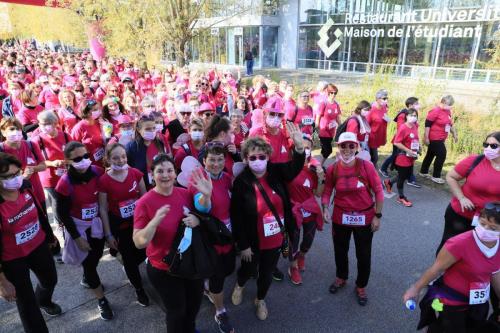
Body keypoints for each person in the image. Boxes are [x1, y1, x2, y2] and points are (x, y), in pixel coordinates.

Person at [230, 123, 305, 321]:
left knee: (267, 272)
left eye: (262, 157)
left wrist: (299, 149)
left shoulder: (276, 172)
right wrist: (243, 245)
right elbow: (236, 216)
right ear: (245, 159)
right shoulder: (241, 182)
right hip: (252, 240)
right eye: (252, 157)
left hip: (275, 238)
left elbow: (293, 168)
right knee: (248, 269)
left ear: (268, 157)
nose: (258, 161)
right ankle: (240, 284)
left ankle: (260, 298)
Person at [133, 154, 210, 333]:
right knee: (176, 311)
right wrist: (155, 221)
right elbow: (138, 242)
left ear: (175, 174)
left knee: (194, 305)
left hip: (190, 262)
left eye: (169, 170)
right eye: (160, 171)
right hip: (163, 268)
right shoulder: (144, 203)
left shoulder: (184, 193)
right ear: (152, 175)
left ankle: (190, 329)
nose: (165, 175)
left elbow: (203, 212)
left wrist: (204, 201)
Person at [403, 203, 500, 333]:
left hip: (478, 303)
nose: (485, 230)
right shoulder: (459, 243)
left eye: (493, 228)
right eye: (482, 224)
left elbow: (495, 273)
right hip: (453, 302)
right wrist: (415, 289)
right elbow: (436, 269)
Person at [0, 153, 60, 333]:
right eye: (8, 176)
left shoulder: (25, 186)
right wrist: (2, 281)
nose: (15, 179)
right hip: (13, 259)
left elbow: (40, 212)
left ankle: (43, 299)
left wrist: (50, 236)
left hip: (38, 245)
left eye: (17, 173)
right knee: (26, 303)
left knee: (50, 279)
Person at [322, 132, 384, 306]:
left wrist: (377, 216)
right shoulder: (333, 168)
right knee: (340, 250)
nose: (347, 149)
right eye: (343, 146)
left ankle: (361, 285)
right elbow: (327, 191)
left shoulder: (366, 166)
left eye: (351, 146)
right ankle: (341, 277)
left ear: (357, 147)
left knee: (363, 254)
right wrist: (325, 207)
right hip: (341, 217)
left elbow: (379, 191)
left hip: (364, 218)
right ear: (338, 147)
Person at [55, 141, 114, 320]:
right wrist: (77, 238)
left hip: (96, 224)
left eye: (86, 156)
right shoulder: (64, 184)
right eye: (78, 158)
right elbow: (62, 214)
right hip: (79, 227)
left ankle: (88, 278)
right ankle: (101, 300)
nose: (84, 160)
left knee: (95, 257)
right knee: (89, 264)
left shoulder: (97, 171)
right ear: (68, 161)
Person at [190, 144, 235, 333]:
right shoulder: (198, 179)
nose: (216, 164)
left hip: (228, 235)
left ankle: (208, 287)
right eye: (212, 160)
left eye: (219, 159)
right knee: (218, 278)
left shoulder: (226, 178)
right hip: (210, 238)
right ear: (204, 161)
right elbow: (202, 208)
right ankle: (220, 311)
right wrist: (206, 196)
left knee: (226, 270)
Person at [98, 143, 149, 306]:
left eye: (123, 156)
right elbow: (103, 209)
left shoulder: (135, 173)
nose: (120, 160)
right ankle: (139, 288)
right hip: (120, 226)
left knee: (144, 252)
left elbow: (145, 198)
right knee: (129, 260)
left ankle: (130, 267)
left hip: (139, 223)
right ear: (108, 160)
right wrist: (108, 234)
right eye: (115, 158)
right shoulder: (104, 181)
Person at [436, 131, 500, 252]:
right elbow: (451, 177)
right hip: (461, 215)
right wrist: (462, 198)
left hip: (489, 223)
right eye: (486, 144)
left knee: (476, 252)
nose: (488, 148)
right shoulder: (475, 161)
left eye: (493, 146)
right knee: (450, 247)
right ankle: (441, 270)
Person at [286, 134, 325, 285]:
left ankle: (302, 255)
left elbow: (318, 193)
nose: (304, 149)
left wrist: (321, 178)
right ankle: (293, 266)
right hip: (293, 211)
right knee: (293, 241)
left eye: (307, 147)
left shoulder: (314, 169)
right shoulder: (288, 167)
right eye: (301, 146)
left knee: (308, 240)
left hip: (309, 209)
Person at [31, 110, 71, 226]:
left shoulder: (65, 136)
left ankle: (69, 221)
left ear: (55, 123)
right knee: (56, 201)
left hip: (66, 174)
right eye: (41, 124)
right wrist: (52, 163)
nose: (44, 126)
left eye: (47, 123)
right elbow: (36, 161)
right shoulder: (37, 140)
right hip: (49, 178)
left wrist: (68, 161)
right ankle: (60, 224)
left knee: (68, 199)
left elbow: (74, 152)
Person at [0, 117, 46, 206]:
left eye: (18, 129)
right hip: (14, 199)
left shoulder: (31, 144)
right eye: (12, 129)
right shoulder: (1, 150)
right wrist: (21, 177)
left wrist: (32, 168)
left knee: (43, 218)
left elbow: (43, 166)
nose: (15, 132)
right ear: (3, 132)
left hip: (36, 192)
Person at [379, 96, 421, 188]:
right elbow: (401, 129)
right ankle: (384, 169)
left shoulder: (413, 114)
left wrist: (418, 144)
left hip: (410, 142)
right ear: (410, 105)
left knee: (409, 159)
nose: (419, 106)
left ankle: (410, 178)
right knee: (395, 156)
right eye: (416, 104)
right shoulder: (403, 115)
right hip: (401, 142)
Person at [382, 108, 420, 207]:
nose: (413, 117)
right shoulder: (403, 127)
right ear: (406, 116)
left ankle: (388, 182)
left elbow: (415, 138)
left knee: (405, 175)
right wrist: (408, 150)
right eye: (411, 115)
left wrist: (418, 148)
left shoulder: (415, 126)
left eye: (415, 115)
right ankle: (401, 197)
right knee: (402, 178)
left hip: (411, 157)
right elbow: (397, 142)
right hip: (403, 157)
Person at [126, 114, 172, 189]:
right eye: (147, 129)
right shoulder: (131, 147)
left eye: (154, 128)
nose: (152, 131)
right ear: (138, 129)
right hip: (141, 187)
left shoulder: (160, 143)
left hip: (160, 185)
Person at [420, 95, 458, 184]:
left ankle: (423, 172)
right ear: (444, 102)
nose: (451, 106)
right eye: (450, 104)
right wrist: (426, 137)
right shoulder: (435, 111)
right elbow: (427, 125)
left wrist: (454, 134)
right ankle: (436, 176)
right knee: (442, 154)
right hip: (434, 137)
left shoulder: (447, 111)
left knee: (430, 154)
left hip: (441, 138)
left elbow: (449, 124)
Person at [70, 100, 106, 166]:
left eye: (98, 108)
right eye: (95, 109)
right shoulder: (79, 128)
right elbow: (72, 147)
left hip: (103, 160)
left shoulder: (100, 122)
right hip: (89, 164)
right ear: (86, 112)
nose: (98, 111)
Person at [316, 84, 341, 162]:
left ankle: (318, 165)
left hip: (331, 131)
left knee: (324, 150)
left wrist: (341, 127)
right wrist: (317, 128)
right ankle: (319, 165)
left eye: (335, 93)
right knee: (328, 150)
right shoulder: (324, 103)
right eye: (331, 92)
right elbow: (318, 116)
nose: (333, 95)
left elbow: (338, 117)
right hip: (323, 130)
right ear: (328, 92)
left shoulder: (336, 104)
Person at [367, 89, 390, 167]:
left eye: (387, 98)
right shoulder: (371, 110)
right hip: (372, 138)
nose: (386, 100)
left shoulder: (384, 108)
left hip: (380, 136)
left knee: (373, 158)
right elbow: (366, 125)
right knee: (375, 158)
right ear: (377, 99)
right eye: (384, 98)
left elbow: (384, 120)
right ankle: (369, 173)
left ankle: (370, 171)